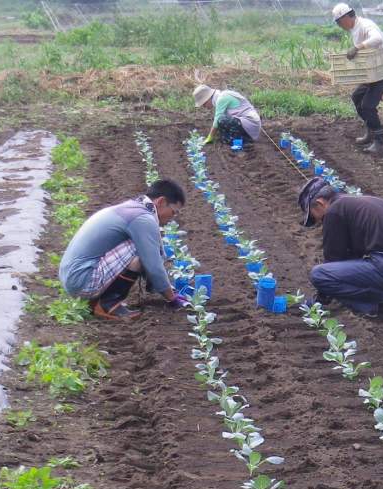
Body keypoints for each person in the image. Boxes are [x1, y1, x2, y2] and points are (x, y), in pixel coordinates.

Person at [298, 176, 383, 318]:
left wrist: (321, 299)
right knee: (355, 271)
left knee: (320, 274)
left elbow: (334, 259)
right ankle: (382, 298)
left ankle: (379, 305)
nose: (318, 221)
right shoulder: (357, 203)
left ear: (319, 203)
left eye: (314, 217)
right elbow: (352, 258)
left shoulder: (334, 211)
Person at [59, 179, 188, 321]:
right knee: (142, 246)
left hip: (73, 277)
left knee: (145, 244)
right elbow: (153, 265)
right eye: (173, 212)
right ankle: (107, 304)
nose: (173, 218)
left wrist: (163, 287)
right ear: (161, 202)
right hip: (81, 281)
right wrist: (172, 298)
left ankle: (100, 300)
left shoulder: (132, 208)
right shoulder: (142, 218)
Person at [332, 2, 383, 154]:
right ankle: (370, 132)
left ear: (347, 17)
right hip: (374, 70)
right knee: (357, 97)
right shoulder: (354, 29)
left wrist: (357, 47)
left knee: (368, 105)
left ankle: (379, 139)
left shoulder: (365, 24)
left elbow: (377, 39)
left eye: (339, 22)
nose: (339, 25)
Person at [193, 84, 262, 147]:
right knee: (223, 134)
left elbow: (217, 120)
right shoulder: (222, 95)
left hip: (251, 123)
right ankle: (241, 139)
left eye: (203, 104)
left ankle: (243, 143)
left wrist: (210, 137)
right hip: (246, 123)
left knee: (222, 120)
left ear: (207, 99)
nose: (204, 107)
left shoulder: (221, 98)